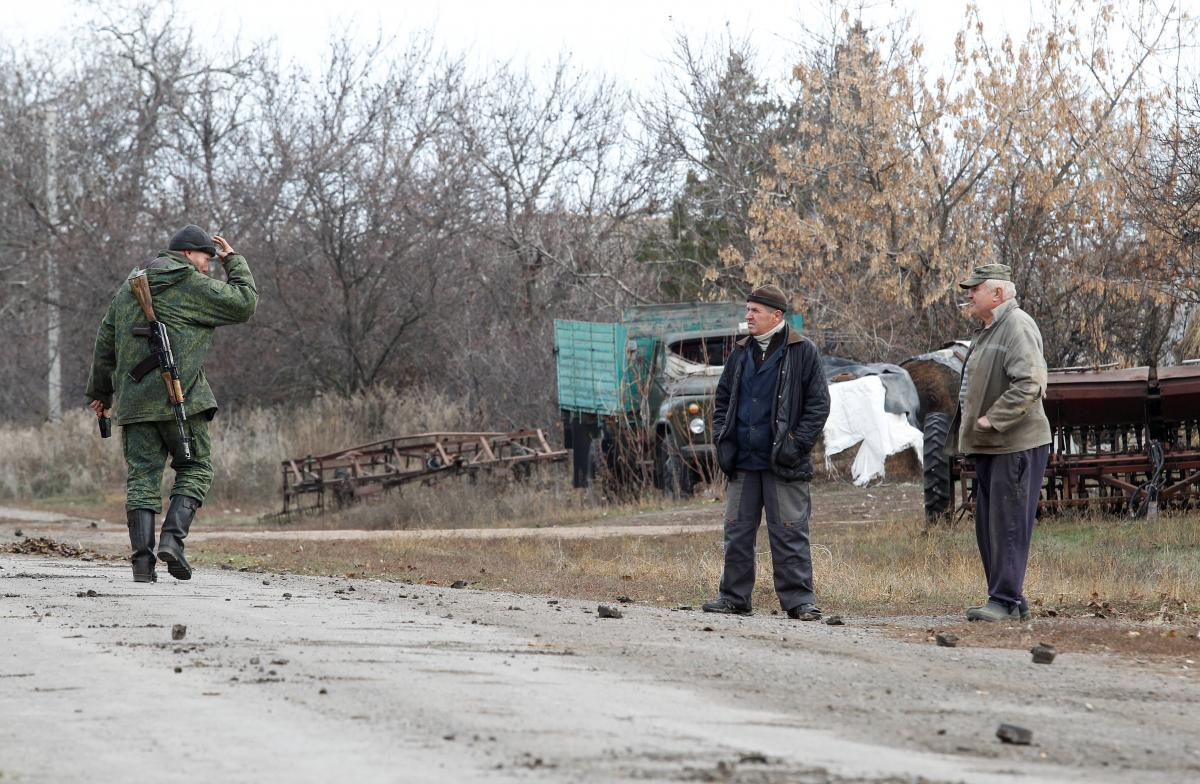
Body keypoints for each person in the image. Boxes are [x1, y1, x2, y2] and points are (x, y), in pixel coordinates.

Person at [86, 225, 258, 583]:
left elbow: (106, 339)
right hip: (182, 400)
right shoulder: (191, 285)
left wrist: (101, 394)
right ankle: (172, 541)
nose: (208, 265)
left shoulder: (128, 287)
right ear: (186, 255)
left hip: (134, 405)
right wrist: (234, 261)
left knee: (143, 477)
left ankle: (143, 565)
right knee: (196, 468)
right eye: (205, 258)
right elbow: (244, 304)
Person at [702, 285, 831, 620]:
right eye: (747, 310)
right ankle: (733, 598)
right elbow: (723, 401)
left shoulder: (803, 351)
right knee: (737, 532)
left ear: (776, 315)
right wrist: (723, 440)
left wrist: (796, 444)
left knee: (790, 532)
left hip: (783, 463)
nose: (748, 316)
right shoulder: (741, 352)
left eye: (755, 311)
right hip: (743, 463)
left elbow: (818, 406)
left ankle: (799, 601)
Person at [951, 263, 1052, 622]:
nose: (969, 294)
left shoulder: (1017, 324)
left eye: (975, 288)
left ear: (997, 293)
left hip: (1015, 444)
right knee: (990, 526)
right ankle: (1010, 599)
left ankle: (1004, 600)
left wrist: (993, 418)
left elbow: (1030, 382)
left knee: (1008, 524)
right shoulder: (991, 330)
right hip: (992, 446)